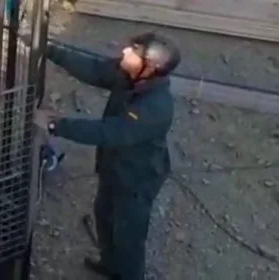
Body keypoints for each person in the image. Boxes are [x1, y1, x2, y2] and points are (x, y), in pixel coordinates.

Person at [37, 34, 181, 280]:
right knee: (104, 216)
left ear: (150, 67)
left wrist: (55, 125)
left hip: (137, 178)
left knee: (128, 236)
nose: (124, 51)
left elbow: (109, 132)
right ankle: (111, 265)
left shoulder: (155, 106)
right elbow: (95, 70)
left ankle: (127, 274)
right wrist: (49, 50)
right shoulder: (131, 76)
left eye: (134, 51)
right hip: (115, 168)